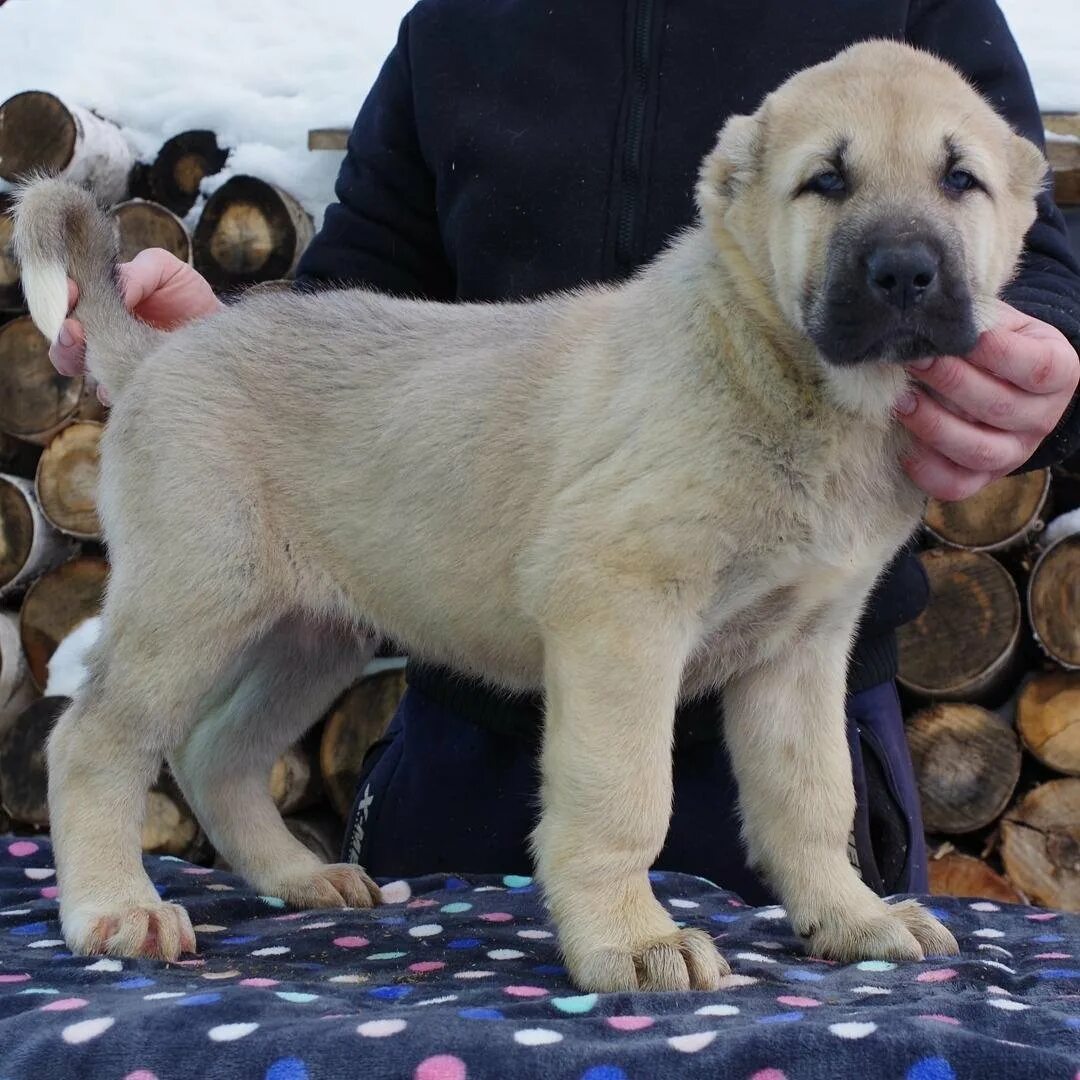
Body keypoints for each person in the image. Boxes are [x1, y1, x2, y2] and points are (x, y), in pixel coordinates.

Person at [51, 0, 1080, 905]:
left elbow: (1049, 285)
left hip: (810, 754)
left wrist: (1043, 355)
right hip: (468, 742)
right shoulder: (458, 19)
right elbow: (356, 289)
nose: (902, 248)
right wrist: (227, 346)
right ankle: (111, 822)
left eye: (953, 182)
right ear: (732, 192)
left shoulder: (921, 8)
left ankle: (815, 878)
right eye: (829, 182)